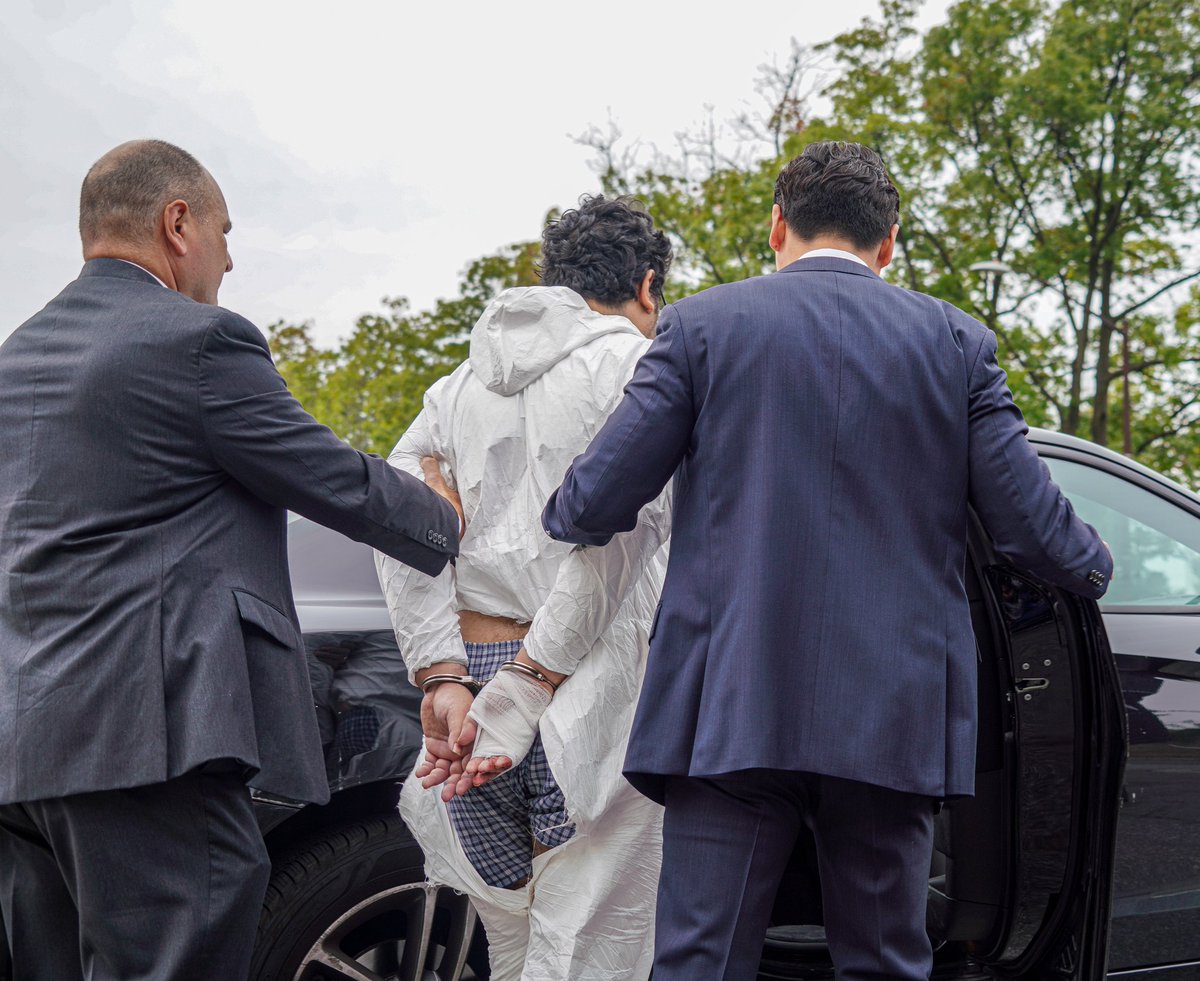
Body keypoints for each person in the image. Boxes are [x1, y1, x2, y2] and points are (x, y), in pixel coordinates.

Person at [542, 141, 1113, 980]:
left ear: (778, 227)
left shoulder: (701, 324)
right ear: (889, 243)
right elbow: (1031, 525)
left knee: (701, 960)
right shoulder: (958, 342)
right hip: (893, 712)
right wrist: (1098, 567)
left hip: (729, 707)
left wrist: (555, 503)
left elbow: (592, 503)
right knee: (884, 961)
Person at [0, 140, 461, 981]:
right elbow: (334, 479)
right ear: (177, 224)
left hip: (25, 747)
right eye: (223, 229)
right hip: (146, 744)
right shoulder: (198, 342)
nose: (230, 255)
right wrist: (446, 516)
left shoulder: (17, 358)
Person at [376, 195, 673, 980]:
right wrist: (533, 679)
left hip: (469, 684)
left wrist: (438, 667)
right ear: (647, 287)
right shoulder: (638, 371)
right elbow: (626, 538)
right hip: (585, 682)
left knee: (506, 939)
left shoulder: (455, 389)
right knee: (591, 938)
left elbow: (402, 531)